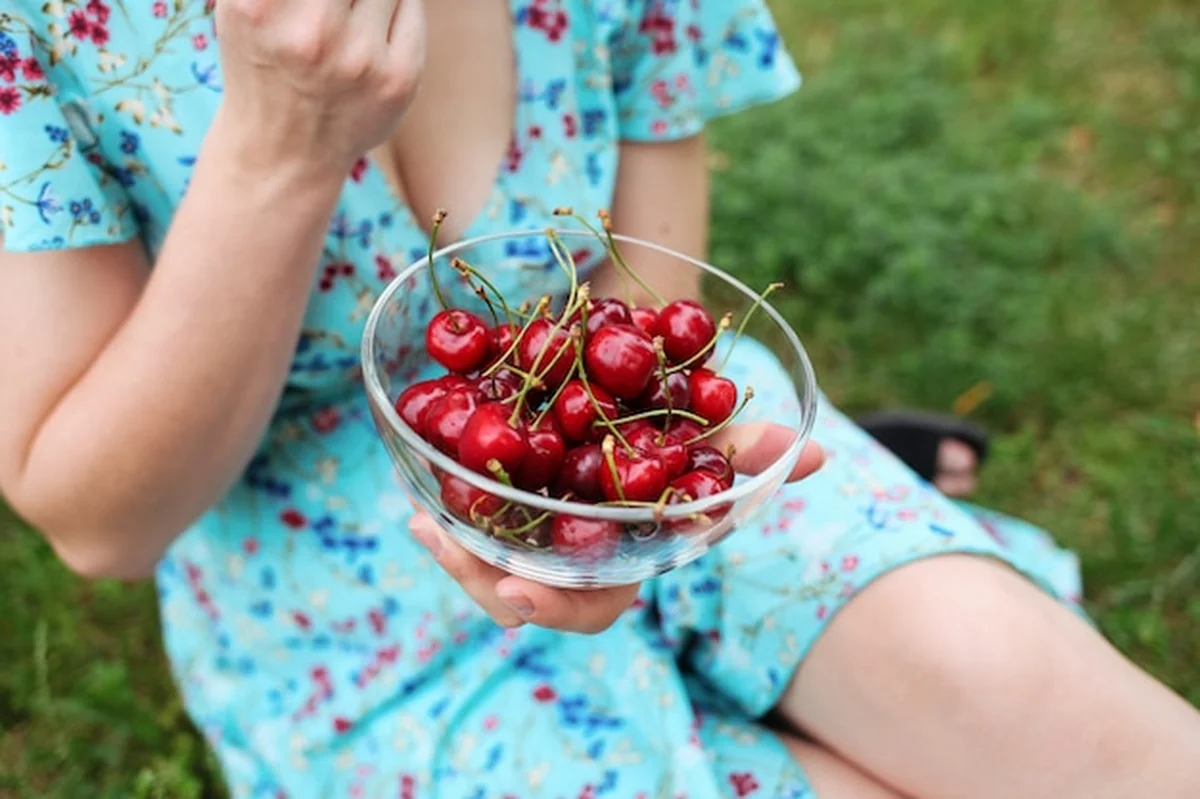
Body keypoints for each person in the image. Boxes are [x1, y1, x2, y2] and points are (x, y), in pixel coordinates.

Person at [2, 1, 1198, 796]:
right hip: (332, 591)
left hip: (635, 452)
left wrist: (631, 497)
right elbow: (102, 523)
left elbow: (642, 299)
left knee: (1046, 711)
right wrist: (281, 146)